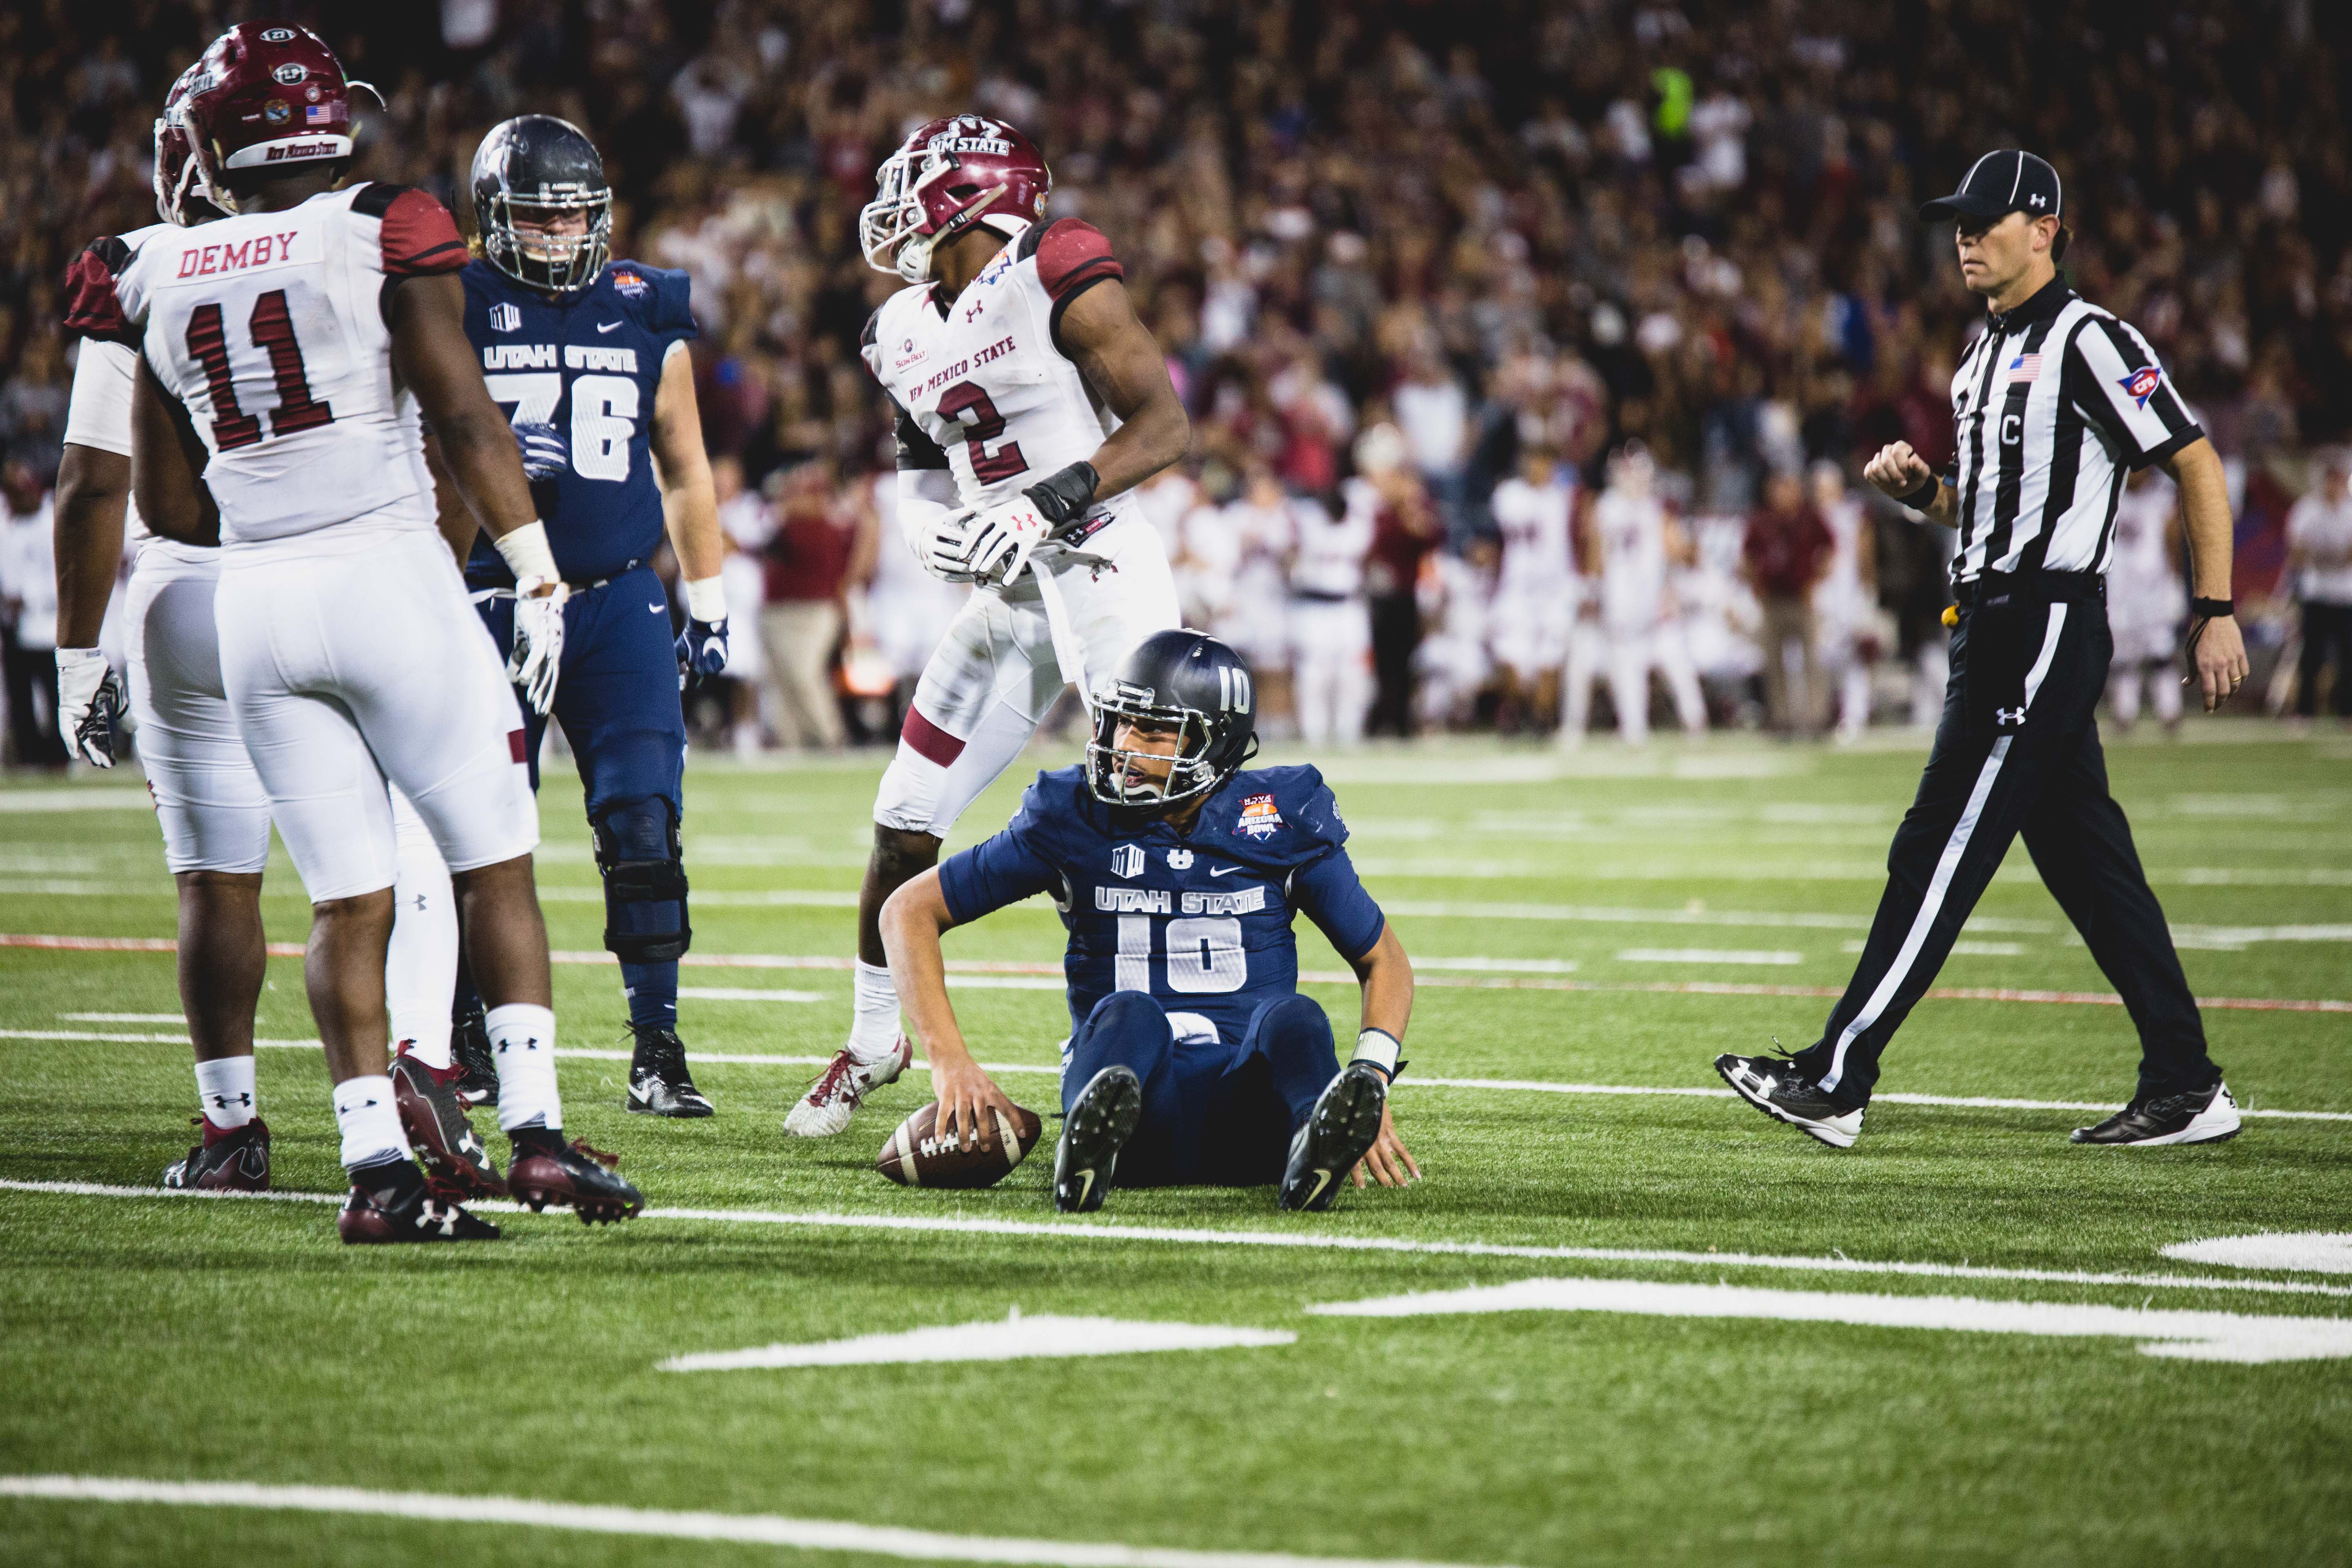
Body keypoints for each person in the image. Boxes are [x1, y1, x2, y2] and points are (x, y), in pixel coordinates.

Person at [108, 24, 642, 1238]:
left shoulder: (153, 268)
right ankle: (541, 1138)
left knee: (346, 899)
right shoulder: (380, 223)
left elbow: (171, 507)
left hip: (253, 596)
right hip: (387, 571)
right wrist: (537, 570)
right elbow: (461, 413)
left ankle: (376, 1174)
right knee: (492, 860)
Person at [1716, 149, 2251, 1149]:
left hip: (2040, 622)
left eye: (1984, 219)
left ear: (2043, 227)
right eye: (1956, 221)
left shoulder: (2090, 339)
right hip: (1989, 621)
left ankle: (1837, 1073)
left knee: (1938, 843)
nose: (1963, 236)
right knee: (2090, 868)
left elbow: (2192, 458)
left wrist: (2213, 605)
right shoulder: (1978, 353)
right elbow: (1984, 511)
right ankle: (2183, 1079)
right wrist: (1922, 494)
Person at [54, 63, 486, 1197]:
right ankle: (421, 1064)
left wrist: (76, 651)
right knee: (402, 840)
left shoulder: (143, 267)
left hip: (186, 595)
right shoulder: (346, 240)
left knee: (215, 878)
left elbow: (96, 490)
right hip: (326, 570)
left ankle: (232, 1128)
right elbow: (448, 436)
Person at [786, 114, 1189, 1138]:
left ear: (965, 192)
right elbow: (922, 461)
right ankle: (876, 1038)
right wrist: (927, 529)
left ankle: (1153, 1037)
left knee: (1143, 809)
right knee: (903, 813)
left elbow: (1163, 424)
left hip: (1098, 564)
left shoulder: (1051, 266)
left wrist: (1044, 503)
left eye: (912, 181)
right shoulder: (896, 327)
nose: (892, 204)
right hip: (1006, 594)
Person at [878, 630, 1418, 1212]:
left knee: (1295, 1018)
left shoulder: (1278, 816)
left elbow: (1382, 958)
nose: (1124, 745)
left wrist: (1371, 1072)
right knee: (1130, 1012)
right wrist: (949, 1062)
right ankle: (1089, 1150)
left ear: (1216, 744)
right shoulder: (1074, 814)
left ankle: (1321, 1135)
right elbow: (907, 910)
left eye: (1154, 730)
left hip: (1253, 1116)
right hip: (1136, 1115)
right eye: (1120, 722)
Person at [443, 114, 726, 1118]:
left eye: (574, 216)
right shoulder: (452, 297)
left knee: (644, 819)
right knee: (480, 831)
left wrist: (713, 597)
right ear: (494, 217)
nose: (561, 235)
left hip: (617, 596)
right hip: (488, 596)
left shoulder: (644, 303)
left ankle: (657, 1044)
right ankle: (462, 1032)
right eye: (538, 216)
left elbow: (684, 464)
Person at [1581, 444, 1706, 744]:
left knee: (1675, 661)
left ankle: (1693, 720)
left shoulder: (1654, 509)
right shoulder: (1608, 508)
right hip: (1622, 601)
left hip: (1653, 602)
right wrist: (1594, 593)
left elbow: (1678, 552)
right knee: (1627, 668)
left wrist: (1687, 553)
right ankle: (1635, 727)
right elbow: (1596, 558)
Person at [758, 459, 858, 749]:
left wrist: (847, 617)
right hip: (777, 608)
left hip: (816, 610)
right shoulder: (776, 521)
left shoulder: (834, 524)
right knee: (780, 681)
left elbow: (846, 571)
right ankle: (791, 742)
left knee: (804, 674)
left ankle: (830, 737)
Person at [1487, 442, 1576, 733]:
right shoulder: (1509, 495)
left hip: (1555, 590)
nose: (1539, 467)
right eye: (1534, 460)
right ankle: (1515, 710)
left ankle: (1542, 719)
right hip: (1517, 589)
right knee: (1511, 655)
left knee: (1550, 657)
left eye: (1545, 461)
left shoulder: (1563, 497)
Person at [1742, 469, 1834, 735]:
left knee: (1812, 659)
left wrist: (1816, 580)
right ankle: (1781, 719)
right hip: (1773, 598)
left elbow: (1829, 548)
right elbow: (1748, 555)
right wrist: (1756, 585)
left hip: (1801, 597)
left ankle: (1817, 717)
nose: (1781, 494)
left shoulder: (1809, 518)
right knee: (1774, 662)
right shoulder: (1762, 520)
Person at [1287, 484, 1376, 747]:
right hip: (1314, 605)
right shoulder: (1308, 523)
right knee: (1313, 673)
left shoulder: (1358, 528)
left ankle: (1349, 731)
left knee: (1352, 673)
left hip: (1348, 607)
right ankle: (1313, 733)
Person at [2105, 468, 2185, 732]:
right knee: (2123, 653)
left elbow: (2172, 540)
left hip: (2153, 585)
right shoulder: (2110, 494)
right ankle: (2125, 712)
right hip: (2119, 586)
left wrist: (2176, 581)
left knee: (2161, 651)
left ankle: (2170, 710)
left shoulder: (2160, 497)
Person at [1810, 460, 1883, 740]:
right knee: (1824, 657)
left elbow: (1866, 557)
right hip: (1823, 597)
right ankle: (1829, 712)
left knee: (1856, 658)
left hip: (1850, 596)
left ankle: (1855, 715)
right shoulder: (1812, 518)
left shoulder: (1853, 514)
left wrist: (1869, 593)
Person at [0, 461, 65, 768]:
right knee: (20, 695)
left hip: (48, 621)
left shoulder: (52, 522)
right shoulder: (7, 522)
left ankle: (59, 753)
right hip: (14, 625)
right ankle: (28, 754)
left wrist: (28, 598)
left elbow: (63, 576)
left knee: (54, 693)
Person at [2284, 450, 2352, 722]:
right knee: (2311, 655)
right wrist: (2329, 556)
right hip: (2316, 591)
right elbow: (2297, 552)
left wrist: (2324, 555)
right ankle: (2305, 710)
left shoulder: (2349, 510)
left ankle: (2347, 710)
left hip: (2346, 593)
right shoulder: (2306, 509)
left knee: (2348, 655)